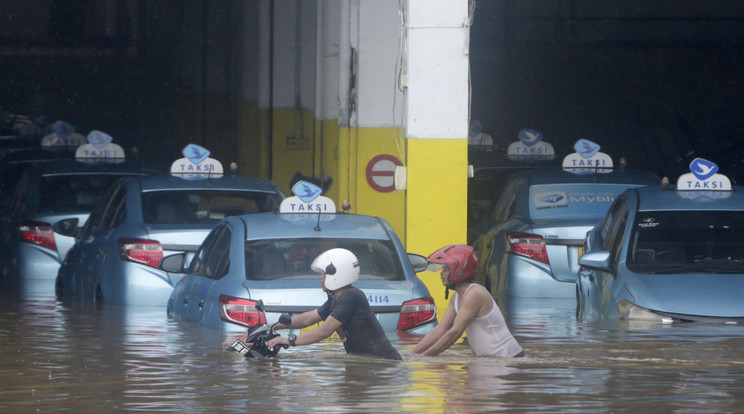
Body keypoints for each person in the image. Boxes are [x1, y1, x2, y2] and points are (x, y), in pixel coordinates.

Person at [266, 248, 401, 360]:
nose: (321, 277)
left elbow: (324, 331)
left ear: (338, 274)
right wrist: (274, 326)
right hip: (367, 359)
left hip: (380, 361)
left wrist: (289, 341)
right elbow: (307, 319)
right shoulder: (336, 299)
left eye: (325, 273)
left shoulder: (351, 296)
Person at [412, 244, 524, 358]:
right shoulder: (456, 297)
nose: (441, 274)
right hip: (490, 361)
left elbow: (455, 333)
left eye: (445, 269)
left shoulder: (475, 293)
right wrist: (412, 354)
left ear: (459, 269)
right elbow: (441, 329)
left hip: (507, 357)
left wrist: (425, 356)